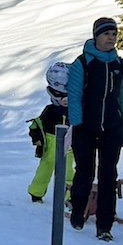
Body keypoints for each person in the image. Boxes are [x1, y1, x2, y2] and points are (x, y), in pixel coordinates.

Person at [66, 16, 123, 240]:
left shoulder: (121, 65)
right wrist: (77, 124)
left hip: (112, 127)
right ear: (96, 36)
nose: (111, 38)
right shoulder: (82, 63)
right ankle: (77, 211)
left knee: (108, 175)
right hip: (85, 127)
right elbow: (74, 96)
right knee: (84, 171)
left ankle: (105, 225)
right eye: (106, 34)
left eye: (114, 34)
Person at [26, 61, 71, 202]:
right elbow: (36, 125)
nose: (65, 101)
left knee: (70, 171)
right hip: (51, 143)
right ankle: (36, 192)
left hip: (70, 144)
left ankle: (70, 197)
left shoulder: (75, 111)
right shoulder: (50, 111)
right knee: (46, 168)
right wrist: (37, 138)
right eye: (61, 96)